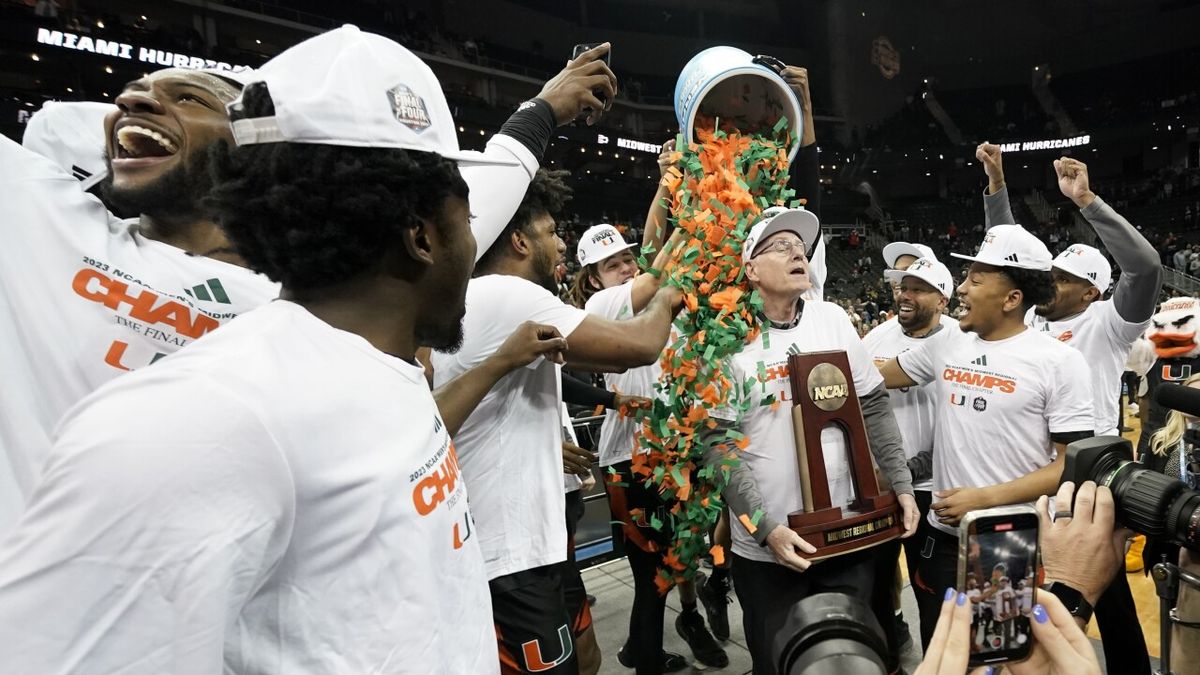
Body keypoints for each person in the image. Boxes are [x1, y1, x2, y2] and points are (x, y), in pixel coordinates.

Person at [0, 26, 571, 672]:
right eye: (467, 220)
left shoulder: (372, 364)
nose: (477, 246)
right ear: (420, 235)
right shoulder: (211, 415)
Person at [428, 168, 682, 674]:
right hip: (507, 550)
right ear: (521, 240)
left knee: (585, 658)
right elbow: (637, 347)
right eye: (550, 232)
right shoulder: (505, 293)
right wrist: (670, 298)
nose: (559, 244)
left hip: (535, 539)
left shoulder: (487, 298)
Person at [708, 206, 919, 675]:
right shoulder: (725, 340)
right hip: (770, 546)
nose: (797, 251)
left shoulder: (833, 319)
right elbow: (717, 444)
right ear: (751, 269)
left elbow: (873, 404)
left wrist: (901, 484)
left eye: (801, 245)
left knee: (855, 660)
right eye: (780, 245)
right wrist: (764, 528)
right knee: (781, 662)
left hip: (845, 534)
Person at [977, 143, 1162, 673]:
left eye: (1062, 279)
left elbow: (1145, 266)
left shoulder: (1109, 323)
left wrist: (1087, 201)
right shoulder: (1029, 321)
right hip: (1026, 470)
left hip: (1085, 477)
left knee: (1104, 598)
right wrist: (996, 187)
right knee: (1013, 588)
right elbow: (1007, 256)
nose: (1047, 283)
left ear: (1091, 292)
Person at [877, 222, 1095, 650]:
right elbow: (874, 378)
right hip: (942, 536)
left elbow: (1071, 465)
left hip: (1009, 539)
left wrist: (984, 498)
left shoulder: (1059, 362)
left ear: (1013, 298)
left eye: (975, 280)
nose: (961, 288)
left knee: (999, 651)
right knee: (942, 647)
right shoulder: (946, 344)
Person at [573, 220, 727, 672]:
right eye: (610, 264)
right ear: (593, 278)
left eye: (627, 259)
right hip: (631, 459)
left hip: (676, 455)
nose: (623, 268)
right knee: (650, 573)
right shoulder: (602, 306)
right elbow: (658, 273)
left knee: (675, 558)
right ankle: (645, 657)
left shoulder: (665, 312)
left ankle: (661, 637)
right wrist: (682, 209)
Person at [862, 256, 958, 648]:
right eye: (904, 287)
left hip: (937, 485)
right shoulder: (874, 339)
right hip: (884, 483)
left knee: (932, 590)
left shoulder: (958, 338)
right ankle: (890, 646)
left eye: (919, 288)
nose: (906, 294)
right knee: (878, 583)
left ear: (943, 300)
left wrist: (915, 467)